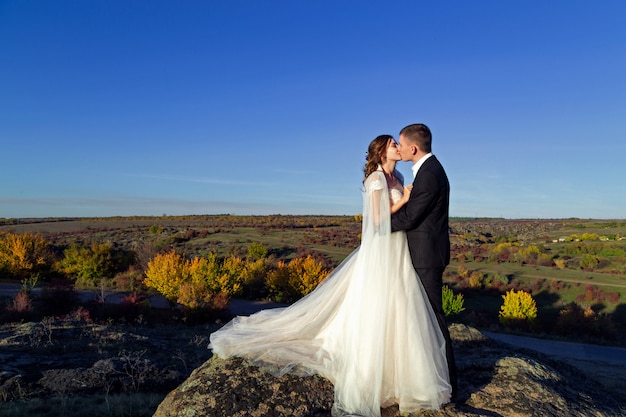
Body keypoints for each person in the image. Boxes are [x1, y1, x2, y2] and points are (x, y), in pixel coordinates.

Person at [209, 135, 451, 417]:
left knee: (401, 306)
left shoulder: (396, 175)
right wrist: (405, 199)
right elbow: (376, 219)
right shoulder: (375, 178)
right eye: (392, 145)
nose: (398, 147)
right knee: (379, 305)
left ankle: (401, 372)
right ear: (382, 151)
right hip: (383, 250)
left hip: (399, 249)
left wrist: (406, 199)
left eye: (399, 144)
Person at [390, 123, 458, 400]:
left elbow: (410, 218)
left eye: (402, 144)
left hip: (427, 256)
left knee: (433, 317)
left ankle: (448, 384)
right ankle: (428, 376)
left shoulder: (429, 174)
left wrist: (377, 225)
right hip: (423, 252)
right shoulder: (429, 170)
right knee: (422, 317)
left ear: (413, 148)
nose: (399, 148)